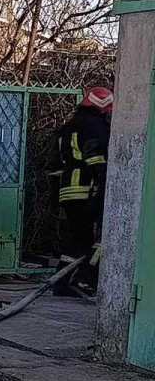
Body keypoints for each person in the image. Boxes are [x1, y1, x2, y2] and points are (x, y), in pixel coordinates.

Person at [55, 86, 112, 296]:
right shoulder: (96, 127)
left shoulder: (69, 126)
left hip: (68, 189)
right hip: (87, 189)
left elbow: (57, 162)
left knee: (76, 240)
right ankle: (85, 277)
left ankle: (62, 284)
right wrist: (100, 187)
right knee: (101, 237)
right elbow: (96, 160)